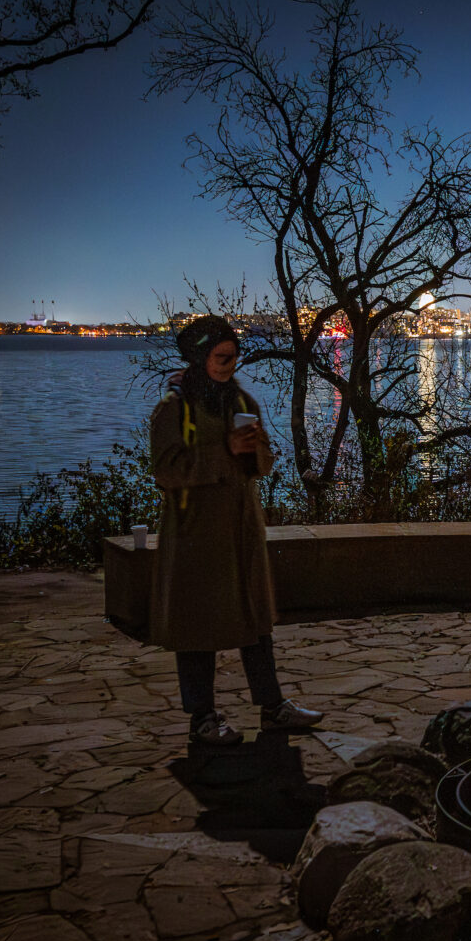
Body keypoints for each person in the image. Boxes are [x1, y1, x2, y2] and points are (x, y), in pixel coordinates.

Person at [149, 315, 322, 746]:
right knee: (196, 628)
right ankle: (202, 717)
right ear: (199, 356)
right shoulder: (175, 409)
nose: (229, 362)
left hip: (241, 531)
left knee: (255, 621)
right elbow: (167, 470)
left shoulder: (240, 400)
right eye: (219, 356)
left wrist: (256, 449)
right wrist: (224, 450)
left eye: (232, 355)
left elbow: (260, 466)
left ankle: (272, 705)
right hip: (195, 536)